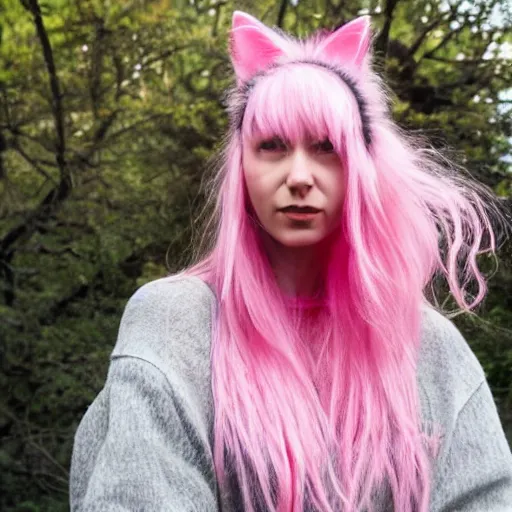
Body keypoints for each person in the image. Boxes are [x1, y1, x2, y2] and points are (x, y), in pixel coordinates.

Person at [69, 10, 512, 512]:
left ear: (362, 168)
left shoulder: (429, 348)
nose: (299, 175)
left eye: (326, 148)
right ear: (241, 164)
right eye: (272, 146)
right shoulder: (176, 323)